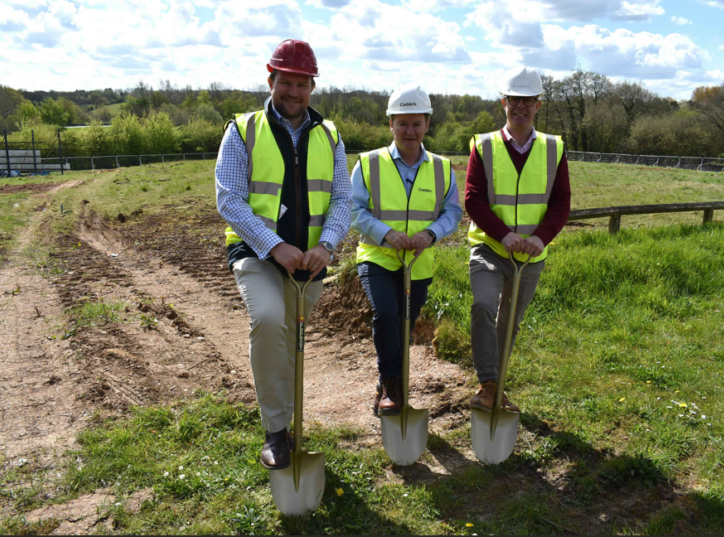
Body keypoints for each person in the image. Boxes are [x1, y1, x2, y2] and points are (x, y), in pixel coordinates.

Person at [215, 39, 352, 470]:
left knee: (291, 341)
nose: (294, 92)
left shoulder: (329, 136)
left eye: (302, 84)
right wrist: (274, 245)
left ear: (312, 87)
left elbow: (343, 200)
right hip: (256, 254)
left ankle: (288, 423)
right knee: (270, 319)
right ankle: (276, 431)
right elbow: (229, 199)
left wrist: (325, 245)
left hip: (310, 263)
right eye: (286, 82)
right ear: (271, 79)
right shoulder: (243, 130)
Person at [350, 86, 463, 416]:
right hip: (378, 257)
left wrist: (431, 234)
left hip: (419, 262)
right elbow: (354, 210)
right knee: (386, 315)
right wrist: (386, 235)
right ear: (390, 124)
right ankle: (392, 385)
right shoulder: (369, 164)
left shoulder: (442, 168)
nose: (409, 131)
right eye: (402, 123)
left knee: (405, 325)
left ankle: (386, 383)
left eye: (416, 123)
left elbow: (452, 213)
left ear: (427, 124)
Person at [465, 67, 571, 413]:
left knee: (509, 322)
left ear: (539, 105)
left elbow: (561, 202)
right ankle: (489, 383)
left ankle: (494, 386)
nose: (520, 106)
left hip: (531, 255)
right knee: (483, 306)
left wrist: (541, 238)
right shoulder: (483, 145)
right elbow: (473, 198)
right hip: (491, 248)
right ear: (503, 103)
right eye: (514, 100)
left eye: (528, 100)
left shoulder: (554, 148)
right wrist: (504, 235)